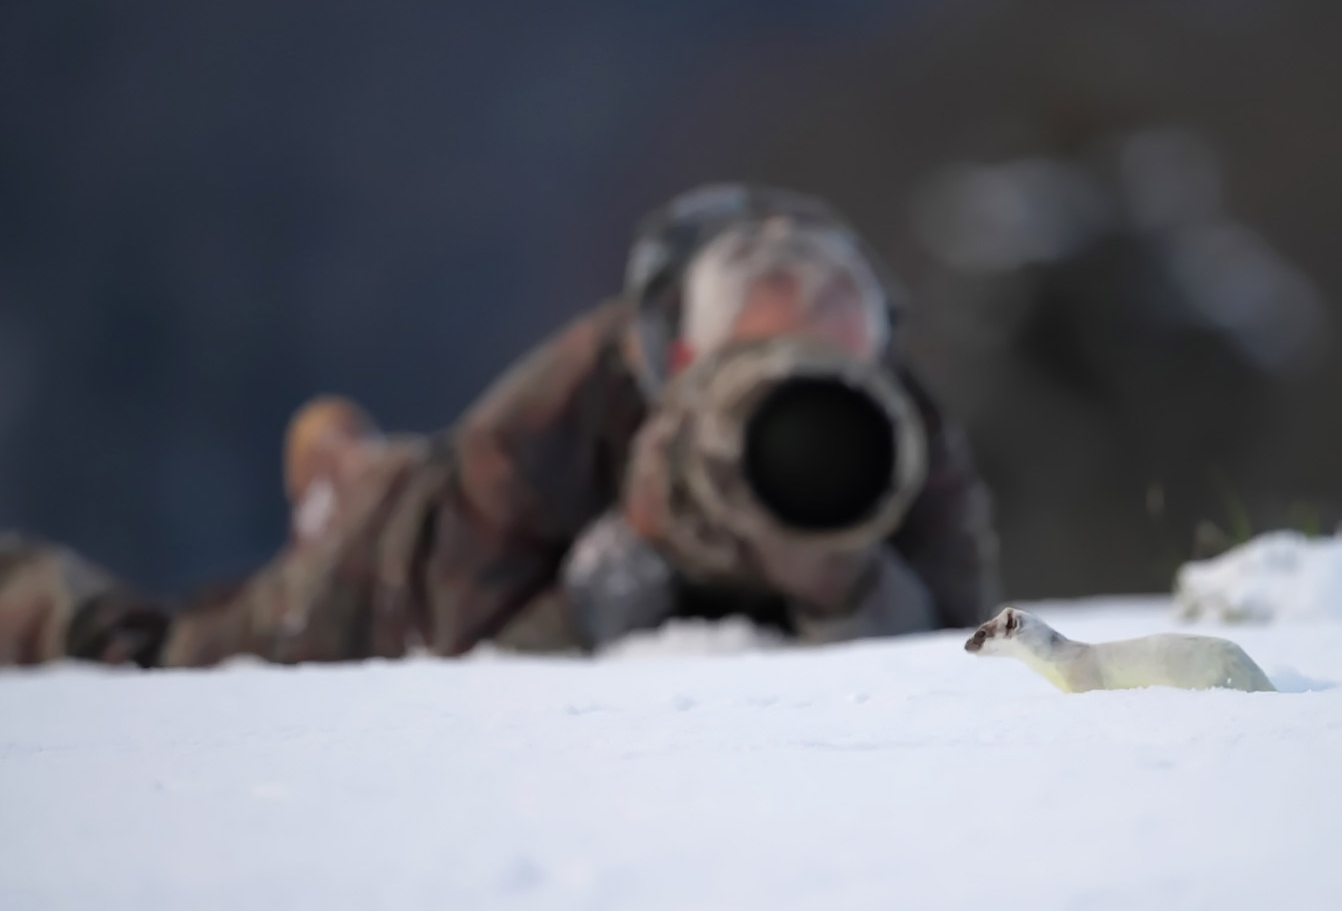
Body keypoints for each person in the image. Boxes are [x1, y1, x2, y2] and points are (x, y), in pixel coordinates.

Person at [0, 184, 1002, 668]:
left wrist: (848, 585)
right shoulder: (573, 398)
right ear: (683, 368)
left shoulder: (898, 427)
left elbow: (972, 653)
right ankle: (340, 487)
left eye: (834, 367)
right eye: (760, 371)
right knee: (169, 659)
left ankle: (341, 470)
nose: (807, 416)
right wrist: (619, 572)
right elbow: (442, 657)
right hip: (400, 549)